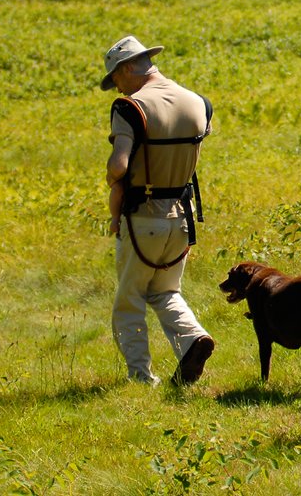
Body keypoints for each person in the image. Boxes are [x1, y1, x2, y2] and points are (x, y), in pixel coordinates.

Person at [102, 35, 214, 386]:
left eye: (116, 79)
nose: (117, 88)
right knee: (165, 291)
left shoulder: (130, 108)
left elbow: (120, 166)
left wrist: (111, 175)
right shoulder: (199, 103)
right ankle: (194, 338)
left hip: (143, 217)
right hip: (182, 216)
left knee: (129, 298)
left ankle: (140, 377)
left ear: (127, 68)